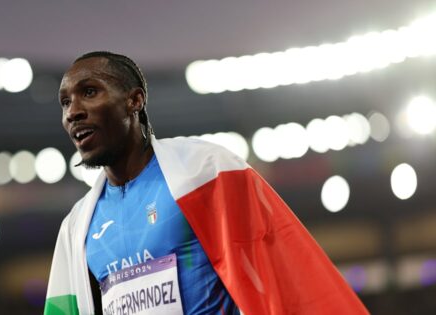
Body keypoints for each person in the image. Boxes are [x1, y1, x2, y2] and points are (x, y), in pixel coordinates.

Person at [44, 51, 368, 315]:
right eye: (65, 102)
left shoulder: (205, 172)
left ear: (135, 100)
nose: (73, 112)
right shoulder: (76, 229)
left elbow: (285, 278)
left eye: (88, 92)